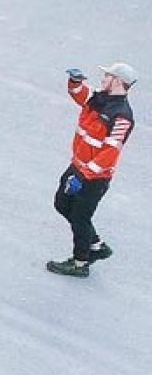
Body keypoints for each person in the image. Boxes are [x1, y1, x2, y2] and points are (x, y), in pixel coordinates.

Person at [47, 62, 137, 277]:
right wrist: (75, 82)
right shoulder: (98, 97)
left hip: (94, 177)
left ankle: (80, 263)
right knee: (61, 203)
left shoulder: (122, 116)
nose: (103, 78)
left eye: (107, 76)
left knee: (80, 217)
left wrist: (85, 175)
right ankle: (96, 246)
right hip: (77, 165)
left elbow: (110, 152)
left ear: (118, 81)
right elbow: (80, 94)